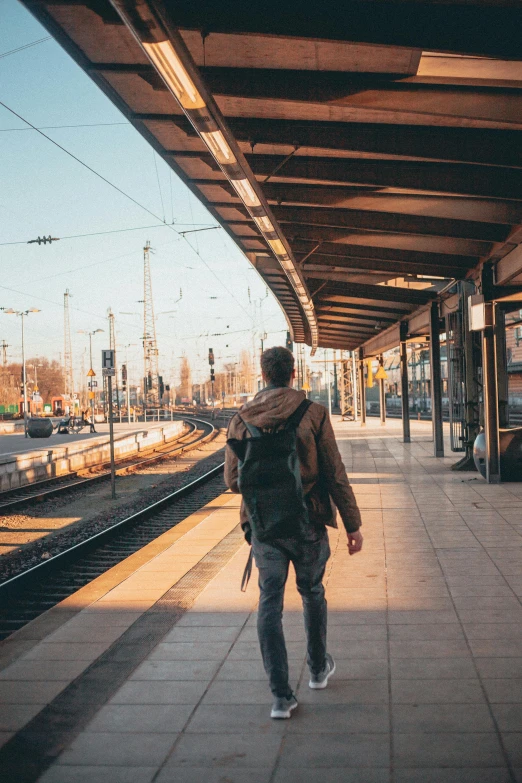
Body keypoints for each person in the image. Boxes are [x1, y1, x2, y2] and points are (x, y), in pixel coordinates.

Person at [225, 346, 363, 720]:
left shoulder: (241, 419)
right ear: (293, 372)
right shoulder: (313, 413)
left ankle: (281, 698)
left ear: (263, 374)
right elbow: (334, 472)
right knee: (312, 592)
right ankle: (318, 669)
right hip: (308, 522)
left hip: (265, 527)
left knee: (269, 601)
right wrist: (353, 524)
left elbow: (232, 480)